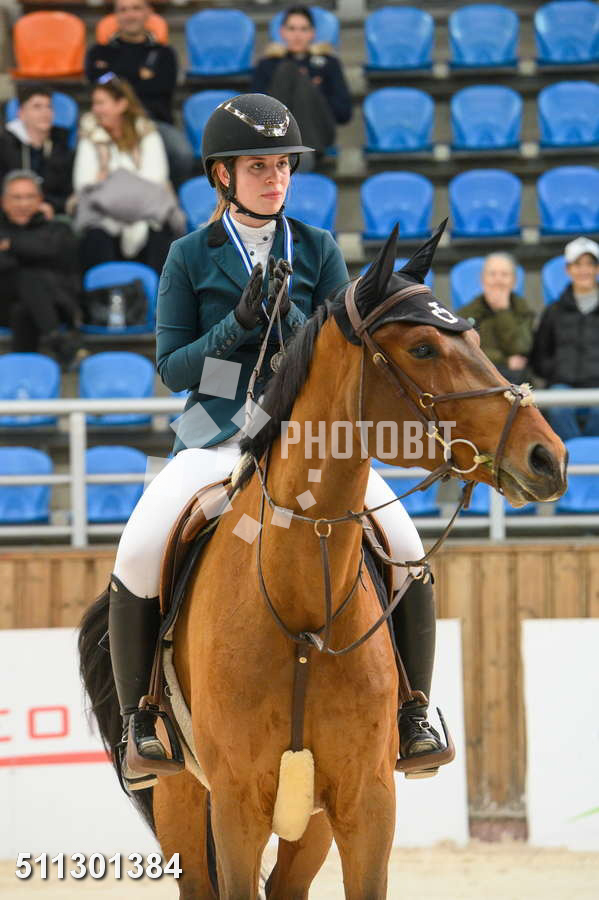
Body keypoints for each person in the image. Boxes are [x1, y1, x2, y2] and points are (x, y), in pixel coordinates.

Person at [106, 94, 444, 790]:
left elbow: (342, 360)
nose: (275, 178)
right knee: (138, 550)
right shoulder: (188, 256)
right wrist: (235, 324)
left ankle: (415, 711)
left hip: (308, 441)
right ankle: (143, 720)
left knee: (406, 546)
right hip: (217, 437)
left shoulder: (316, 248)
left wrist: (292, 323)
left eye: (283, 165)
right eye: (258, 166)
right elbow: (173, 369)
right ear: (223, 176)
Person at [73, 75, 182, 275]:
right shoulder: (89, 136)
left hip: (146, 213)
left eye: (101, 103)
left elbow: (156, 179)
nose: (95, 109)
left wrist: (109, 184)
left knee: (160, 235)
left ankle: (159, 294)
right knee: (96, 237)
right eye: (94, 104)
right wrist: (131, 184)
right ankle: (104, 293)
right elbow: (84, 184)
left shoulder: (147, 133)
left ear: (121, 104)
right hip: (103, 216)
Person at [85, 0, 193, 186]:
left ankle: (170, 196)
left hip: (154, 121)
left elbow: (162, 88)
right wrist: (140, 75)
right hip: (109, 122)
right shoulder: (98, 52)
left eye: (136, 8)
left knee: (182, 154)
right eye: (123, 10)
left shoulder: (164, 53)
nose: (130, 15)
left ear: (148, 12)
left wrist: (116, 77)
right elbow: (98, 88)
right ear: (116, 15)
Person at [251, 6, 352, 166]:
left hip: (319, 133)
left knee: (293, 75)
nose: (297, 35)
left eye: (304, 29)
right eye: (292, 29)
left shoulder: (329, 63)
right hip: (276, 131)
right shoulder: (267, 65)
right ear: (282, 32)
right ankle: (293, 151)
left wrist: (314, 92)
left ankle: (294, 151)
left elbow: (344, 114)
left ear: (312, 33)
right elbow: (255, 113)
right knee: (287, 70)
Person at [0, 170, 82, 366]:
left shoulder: (58, 229)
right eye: (16, 197)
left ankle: (22, 373)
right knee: (26, 280)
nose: (23, 204)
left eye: (29, 197)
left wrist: (11, 245)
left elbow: (56, 253)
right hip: (3, 304)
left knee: (23, 305)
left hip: (56, 304)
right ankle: (58, 343)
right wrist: (33, 253)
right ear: (3, 201)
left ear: (40, 200)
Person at [531, 236, 599, 441]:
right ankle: (570, 455)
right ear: (568, 270)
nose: (584, 270)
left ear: (597, 269)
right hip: (562, 384)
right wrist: (557, 372)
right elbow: (540, 355)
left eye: (589, 264)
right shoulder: (553, 311)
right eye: (577, 264)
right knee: (558, 407)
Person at [459, 253, 534, 383]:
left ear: (514, 281)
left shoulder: (523, 310)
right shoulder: (467, 312)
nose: (498, 280)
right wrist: (504, 360)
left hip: (515, 380)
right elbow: (465, 351)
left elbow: (521, 348)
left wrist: (502, 311)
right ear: (482, 279)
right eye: (492, 274)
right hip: (478, 378)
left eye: (504, 275)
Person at [0, 83, 73, 216]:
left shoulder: (61, 145)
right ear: (21, 113)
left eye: (49, 107)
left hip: (51, 215)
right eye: (37, 107)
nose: (45, 113)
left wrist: (52, 206)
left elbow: (68, 192)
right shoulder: (5, 146)